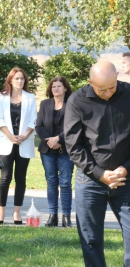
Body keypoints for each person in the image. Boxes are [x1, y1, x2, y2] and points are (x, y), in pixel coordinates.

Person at [65, 61, 130, 267]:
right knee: (91, 240)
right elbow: (74, 146)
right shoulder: (76, 101)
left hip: (126, 179)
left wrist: (124, 168)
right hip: (90, 180)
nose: (108, 93)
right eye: (102, 90)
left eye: (112, 87)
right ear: (91, 83)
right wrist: (100, 174)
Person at [0, 67, 36, 225]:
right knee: (5, 178)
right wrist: (10, 136)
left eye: (22, 79)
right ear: (10, 80)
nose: (20, 81)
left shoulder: (30, 97)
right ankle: (1, 213)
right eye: (17, 78)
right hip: (6, 142)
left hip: (24, 142)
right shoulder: (1, 97)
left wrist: (24, 136)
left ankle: (17, 213)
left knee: (21, 179)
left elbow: (33, 120)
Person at [35, 77, 74, 227]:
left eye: (59, 86)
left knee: (65, 183)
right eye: (53, 87)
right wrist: (51, 141)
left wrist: (59, 139)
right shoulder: (45, 104)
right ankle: (52, 216)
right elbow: (39, 126)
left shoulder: (72, 104)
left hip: (66, 149)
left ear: (65, 88)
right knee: (51, 182)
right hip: (47, 149)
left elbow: (74, 127)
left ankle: (66, 217)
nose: (56, 89)